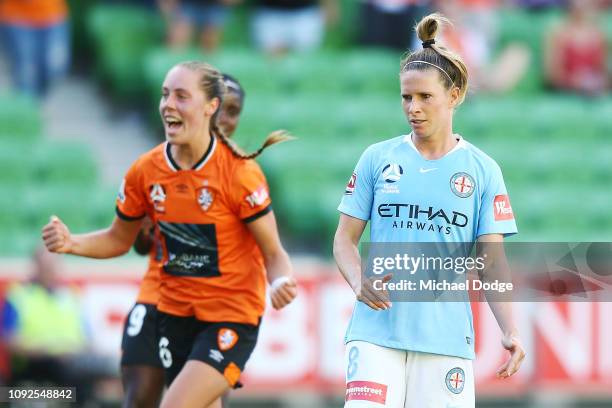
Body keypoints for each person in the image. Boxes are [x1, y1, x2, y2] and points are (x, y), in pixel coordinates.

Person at [42, 61, 297, 408]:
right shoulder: (146, 171)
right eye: (165, 95)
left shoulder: (240, 174)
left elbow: (273, 252)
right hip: (174, 316)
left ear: (211, 107)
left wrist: (280, 281)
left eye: (181, 96)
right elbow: (120, 239)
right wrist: (73, 242)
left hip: (230, 316)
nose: (168, 105)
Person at [333, 13, 525, 407]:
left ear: (453, 97)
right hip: (375, 334)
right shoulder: (377, 158)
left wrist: (510, 330)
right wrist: (358, 283)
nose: (413, 108)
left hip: (446, 340)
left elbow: (492, 262)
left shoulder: (483, 171)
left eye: (425, 97)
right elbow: (344, 239)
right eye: (407, 97)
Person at [120, 72, 247, 408]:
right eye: (222, 109)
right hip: (157, 297)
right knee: (140, 398)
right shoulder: (161, 164)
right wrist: (148, 232)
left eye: (234, 112)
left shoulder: (242, 174)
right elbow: (138, 243)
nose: (225, 120)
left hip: (212, 310)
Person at [0, 0, 70, 97]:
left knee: (55, 67)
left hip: (53, 16)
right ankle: (26, 105)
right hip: (17, 18)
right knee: (26, 72)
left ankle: (35, 101)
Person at [543, 0, 608, 95]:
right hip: (565, 88)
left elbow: (602, 70)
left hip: (593, 88)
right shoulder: (559, 33)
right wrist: (574, 80)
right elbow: (552, 74)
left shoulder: (598, 34)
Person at [251, 0, 339, 56]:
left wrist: (330, 4)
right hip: (269, 14)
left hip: (305, 13)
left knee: (305, 52)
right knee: (269, 56)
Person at [159, 0, 242, 52]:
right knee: (180, 32)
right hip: (187, 5)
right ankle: (173, 64)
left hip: (215, 6)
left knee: (210, 35)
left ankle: (208, 67)